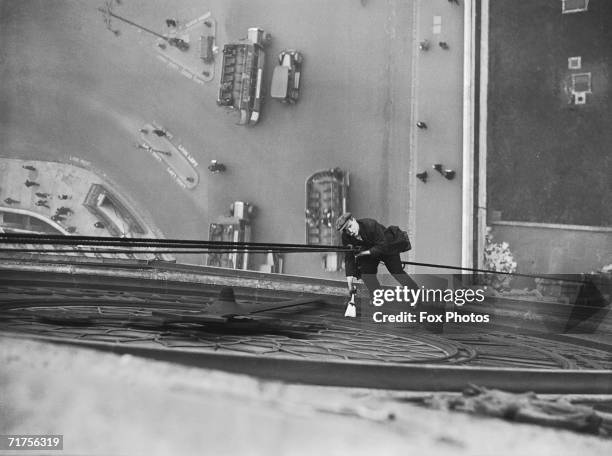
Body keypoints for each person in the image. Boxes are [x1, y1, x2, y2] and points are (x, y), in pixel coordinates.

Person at [335, 213, 418, 296]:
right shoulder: (346, 237)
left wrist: (363, 253)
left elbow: (382, 246)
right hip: (369, 253)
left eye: (350, 226)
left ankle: (415, 292)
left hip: (386, 248)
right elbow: (349, 258)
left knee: (397, 272)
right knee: (366, 274)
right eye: (346, 230)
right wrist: (350, 286)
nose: (350, 231)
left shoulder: (370, 224)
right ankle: (377, 295)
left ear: (353, 220)